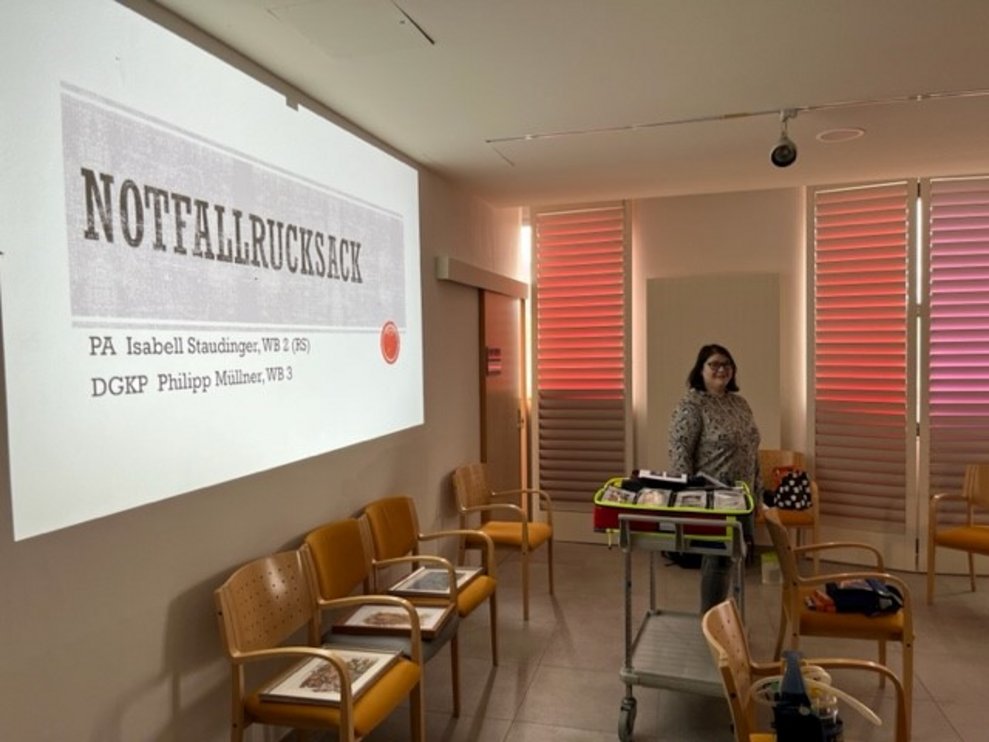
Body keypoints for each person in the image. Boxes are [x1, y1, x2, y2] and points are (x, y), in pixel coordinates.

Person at [668, 343, 760, 612]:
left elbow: (752, 448)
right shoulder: (692, 405)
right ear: (701, 369)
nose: (721, 370)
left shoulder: (739, 403)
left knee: (732, 558)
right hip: (712, 498)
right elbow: (679, 451)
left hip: (742, 496)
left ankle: (724, 621)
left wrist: (758, 492)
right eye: (714, 364)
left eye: (727, 364)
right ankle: (709, 622)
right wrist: (688, 497)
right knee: (717, 561)